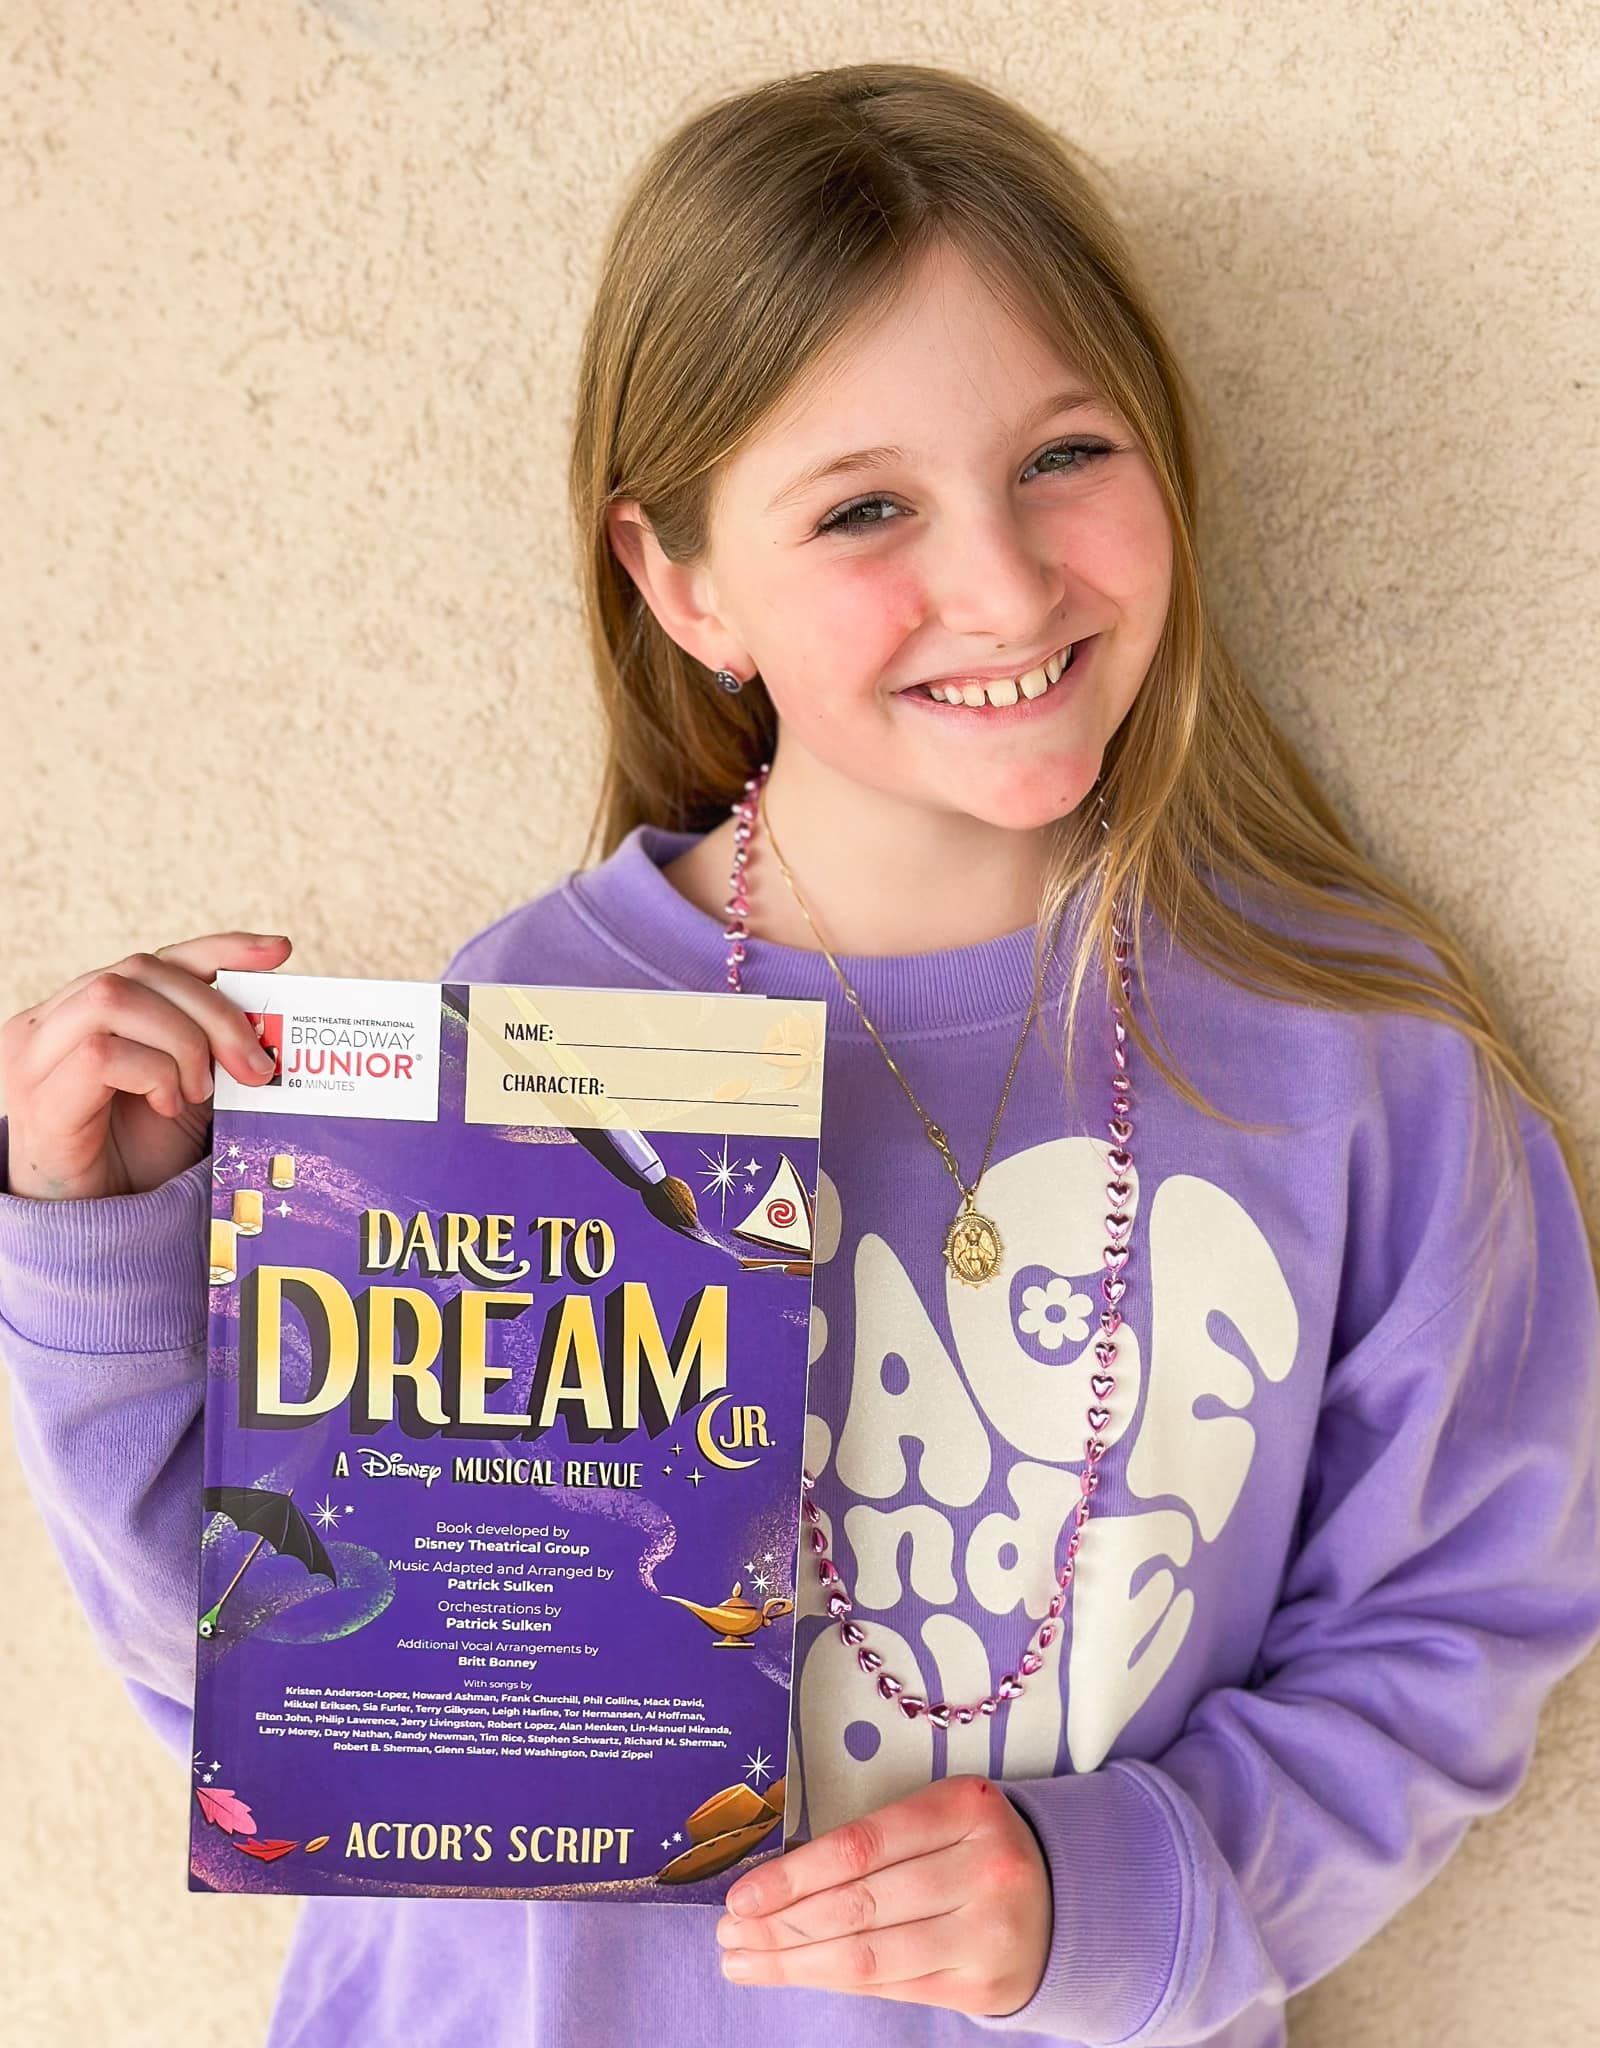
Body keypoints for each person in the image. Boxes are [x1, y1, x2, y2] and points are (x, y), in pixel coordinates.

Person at [2, 58, 1598, 2048]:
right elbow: (278, 1702)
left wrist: (1123, 1885)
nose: (1003, 585)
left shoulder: (1357, 1048)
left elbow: (1450, 1627)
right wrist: (100, 1249)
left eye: (1064, 455)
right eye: (862, 507)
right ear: (682, 585)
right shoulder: (513, 1041)